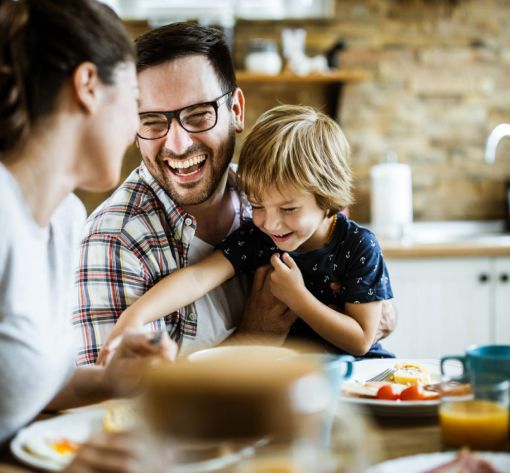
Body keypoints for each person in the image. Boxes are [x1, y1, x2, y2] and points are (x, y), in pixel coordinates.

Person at [73, 22, 397, 365]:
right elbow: (123, 406)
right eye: (152, 121)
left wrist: (364, 307)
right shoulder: (115, 241)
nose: (178, 144)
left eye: (198, 115)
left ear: (236, 111)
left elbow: (371, 323)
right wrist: (256, 338)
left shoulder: (267, 191)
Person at [0, 0, 175, 465]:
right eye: (137, 102)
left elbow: (19, 378)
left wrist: (110, 381)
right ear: (89, 86)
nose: (138, 127)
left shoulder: (65, 219)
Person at [97, 105, 394, 362]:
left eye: (289, 209)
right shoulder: (258, 237)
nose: (271, 223)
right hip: (289, 378)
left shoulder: (358, 245)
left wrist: (298, 298)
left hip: (359, 376)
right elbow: (198, 277)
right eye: (257, 205)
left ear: (328, 197)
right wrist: (133, 317)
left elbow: (361, 340)